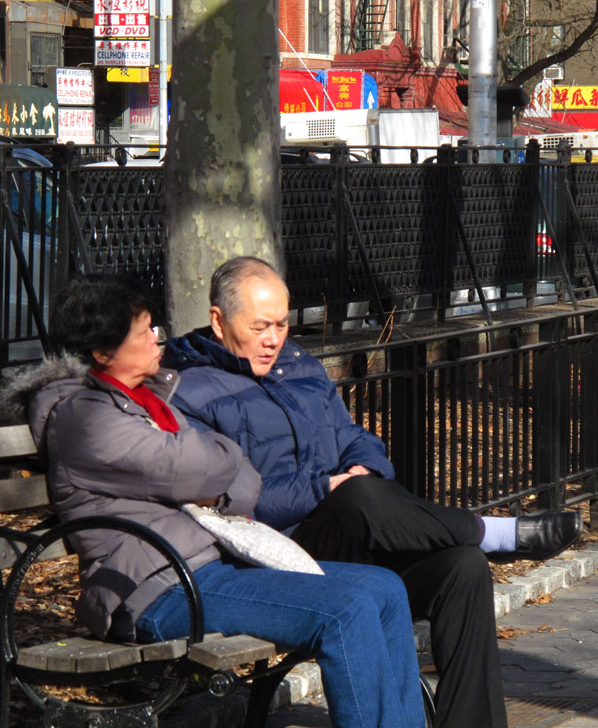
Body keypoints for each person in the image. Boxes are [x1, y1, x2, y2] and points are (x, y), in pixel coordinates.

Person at [163, 256, 584, 728]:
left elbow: (354, 436)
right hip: (275, 554)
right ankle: (486, 530)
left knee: (462, 569)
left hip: (351, 535)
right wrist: (326, 486)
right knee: (356, 496)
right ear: (219, 321)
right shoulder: (189, 392)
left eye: (282, 324)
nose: (273, 339)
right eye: (260, 326)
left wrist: (364, 465)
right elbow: (233, 501)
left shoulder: (297, 366)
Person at [12, 276, 423, 728]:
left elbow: (246, 483)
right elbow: (209, 467)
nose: (157, 339)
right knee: (345, 610)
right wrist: (222, 461)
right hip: (157, 588)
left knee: (384, 589)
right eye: (144, 331)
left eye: (154, 327)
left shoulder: (147, 402)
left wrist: (215, 469)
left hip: (205, 566)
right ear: (102, 353)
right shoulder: (84, 417)